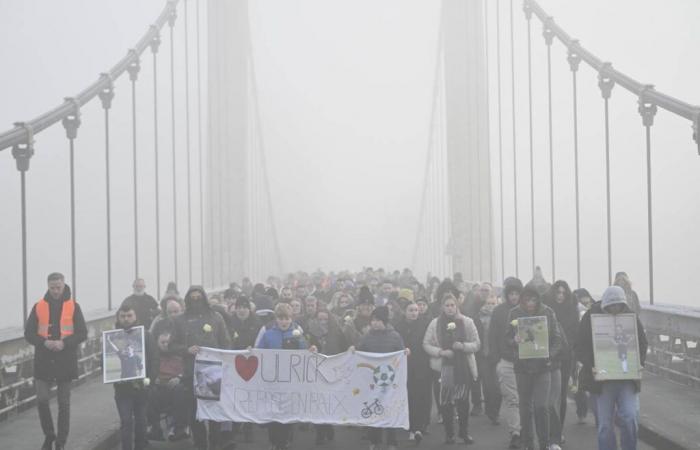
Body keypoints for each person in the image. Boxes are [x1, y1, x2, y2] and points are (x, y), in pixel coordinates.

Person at [576, 286, 648, 450]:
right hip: (602, 380)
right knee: (605, 425)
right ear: (605, 304)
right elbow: (579, 346)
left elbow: (642, 343)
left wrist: (640, 363)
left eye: (619, 306)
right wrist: (591, 365)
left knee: (630, 417)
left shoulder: (631, 317)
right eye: (612, 306)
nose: (615, 309)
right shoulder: (590, 317)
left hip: (626, 378)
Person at [24, 272, 88, 450]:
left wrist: (64, 343)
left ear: (64, 284)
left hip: (65, 359)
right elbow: (28, 333)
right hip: (43, 360)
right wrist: (44, 342)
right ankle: (49, 435)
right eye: (52, 287)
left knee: (64, 403)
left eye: (58, 287)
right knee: (42, 400)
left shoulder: (74, 306)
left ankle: (61, 441)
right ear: (48, 286)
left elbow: (83, 332)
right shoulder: (38, 306)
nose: (55, 291)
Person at [171, 286, 231, 450]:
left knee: (214, 413)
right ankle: (200, 444)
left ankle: (215, 443)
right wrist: (186, 350)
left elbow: (225, 343)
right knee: (194, 413)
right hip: (190, 373)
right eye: (192, 298)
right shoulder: (179, 320)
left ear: (204, 298)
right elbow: (171, 345)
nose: (196, 301)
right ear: (187, 300)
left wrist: (226, 364)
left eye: (199, 297)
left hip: (213, 372)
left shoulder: (216, 317)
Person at [507, 286, 564, 450]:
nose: (530, 303)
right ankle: (528, 444)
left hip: (543, 366)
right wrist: (514, 341)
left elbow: (557, 340)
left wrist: (549, 356)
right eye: (527, 300)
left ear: (538, 299)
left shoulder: (548, 312)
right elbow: (506, 338)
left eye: (533, 300)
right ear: (522, 300)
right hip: (522, 367)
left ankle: (544, 444)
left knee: (541, 406)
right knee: (525, 408)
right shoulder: (514, 313)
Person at [257, 303, 316, 450]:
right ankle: (274, 441)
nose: (284, 321)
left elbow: (304, 352)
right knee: (273, 412)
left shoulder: (297, 333)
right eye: (281, 318)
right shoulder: (268, 334)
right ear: (276, 319)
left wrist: (311, 349)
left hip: (291, 381)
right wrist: (251, 352)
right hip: (272, 380)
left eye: (287, 318)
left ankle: (284, 441)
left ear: (291, 319)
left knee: (287, 412)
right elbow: (259, 353)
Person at [423, 293, 480, 445]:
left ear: (457, 306)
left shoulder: (467, 322)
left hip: (463, 366)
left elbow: (476, 343)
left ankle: (464, 432)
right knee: (446, 402)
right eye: (447, 305)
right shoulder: (435, 324)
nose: (450, 308)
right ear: (442, 307)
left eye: (452, 305)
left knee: (463, 401)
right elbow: (426, 344)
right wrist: (440, 352)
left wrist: (463, 346)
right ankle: (449, 434)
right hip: (444, 367)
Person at [357, 306, 406, 450]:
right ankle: (374, 441)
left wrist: (405, 352)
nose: (374, 323)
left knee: (390, 410)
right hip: (372, 381)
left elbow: (400, 354)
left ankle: (392, 442)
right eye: (372, 320)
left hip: (390, 381)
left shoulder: (395, 336)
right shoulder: (367, 336)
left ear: (384, 321)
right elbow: (360, 353)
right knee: (374, 410)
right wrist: (354, 351)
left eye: (377, 320)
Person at [112, 304, 158, 450]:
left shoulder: (146, 335)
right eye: (123, 316)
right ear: (118, 317)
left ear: (135, 316)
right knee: (125, 421)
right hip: (122, 389)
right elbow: (105, 362)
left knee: (141, 421)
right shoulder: (113, 336)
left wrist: (149, 380)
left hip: (141, 388)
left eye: (129, 315)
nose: (126, 319)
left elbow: (154, 359)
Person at [488, 277, 523, 449]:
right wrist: (495, 359)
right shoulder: (499, 311)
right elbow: (492, 335)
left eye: (517, 293)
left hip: (526, 363)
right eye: (511, 293)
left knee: (525, 399)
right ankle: (515, 432)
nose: (514, 297)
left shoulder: (528, 310)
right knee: (512, 399)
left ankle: (525, 430)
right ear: (506, 294)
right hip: (506, 360)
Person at [307, 308, 349, 445]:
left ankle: (329, 426)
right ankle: (320, 432)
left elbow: (344, 348)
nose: (323, 322)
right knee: (317, 403)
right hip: (315, 371)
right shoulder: (310, 332)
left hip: (332, 370)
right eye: (320, 319)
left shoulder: (336, 332)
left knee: (329, 402)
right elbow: (304, 347)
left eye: (325, 319)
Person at [544, 280, 580, 436]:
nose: (560, 296)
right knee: (547, 395)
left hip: (565, 357)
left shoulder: (573, 310)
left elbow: (575, 334)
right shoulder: (545, 308)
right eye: (557, 292)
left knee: (562, 394)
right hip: (548, 356)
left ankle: (558, 430)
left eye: (564, 293)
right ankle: (547, 428)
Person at [395, 302, 431, 444]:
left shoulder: (425, 325)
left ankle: (421, 426)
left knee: (422, 396)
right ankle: (411, 426)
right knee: (409, 396)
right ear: (405, 311)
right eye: (410, 310)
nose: (414, 313)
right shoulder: (398, 326)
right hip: (405, 366)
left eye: (416, 310)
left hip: (422, 365)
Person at [147, 329, 189, 442]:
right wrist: (153, 378)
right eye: (163, 342)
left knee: (180, 389)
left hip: (175, 387)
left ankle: (179, 428)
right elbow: (148, 371)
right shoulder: (153, 356)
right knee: (149, 391)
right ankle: (155, 428)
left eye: (168, 342)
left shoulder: (180, 354)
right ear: (157, 342)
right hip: (159, 388)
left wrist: (179, 377)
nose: (166, 345)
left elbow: (187, 371)